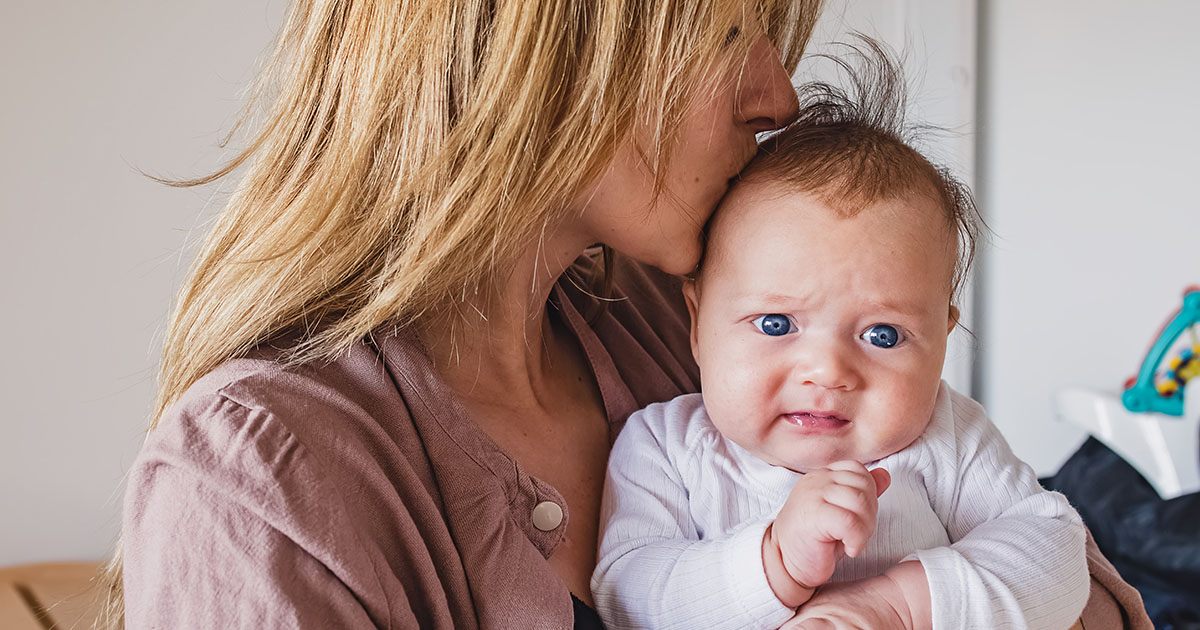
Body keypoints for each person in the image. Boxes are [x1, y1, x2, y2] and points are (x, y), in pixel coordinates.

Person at [98, 1, 1149, 628]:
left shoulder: (683, 320)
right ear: (544, 45)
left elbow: (1085, 592)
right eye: (732, 29)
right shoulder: (259, 481)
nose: (778, 95)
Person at [590, 50, 1097, 630]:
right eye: (776, 324)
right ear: (697, 323)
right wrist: (775, 559)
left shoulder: (946, 435)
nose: (828, 371)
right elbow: (626, 594)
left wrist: (896, 606)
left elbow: (1053, 549)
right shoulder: (666, 450)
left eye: (883, 334)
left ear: (940, 340)